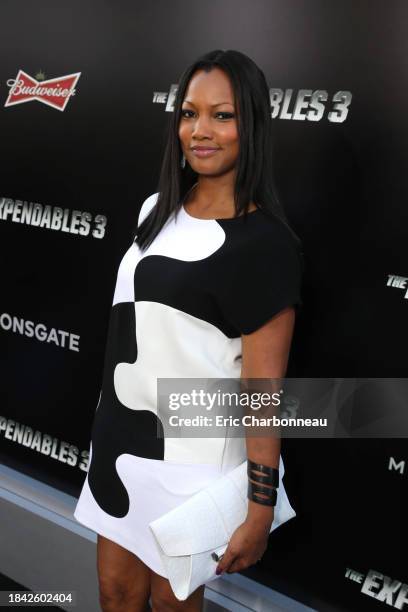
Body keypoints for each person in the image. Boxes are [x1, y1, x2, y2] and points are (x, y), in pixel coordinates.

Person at [74, 48, 304, 612]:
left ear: (251, 125)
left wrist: (259, 507)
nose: (200, 131)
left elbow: (262, 391)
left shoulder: (268, 246)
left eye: (222, 115)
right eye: (189, 113)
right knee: (114, 593)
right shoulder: (155, 209)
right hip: (120, 445)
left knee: (173, 604)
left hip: (196, 462)